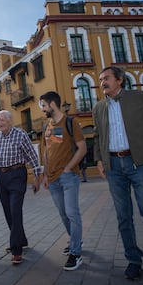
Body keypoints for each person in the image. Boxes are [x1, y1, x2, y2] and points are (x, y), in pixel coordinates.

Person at [92, 66, 143, 283]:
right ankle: (133, 260)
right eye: (100, 80)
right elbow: (98, 135)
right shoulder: (99, 107)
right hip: (113, 167)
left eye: (107, 79)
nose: (102, 83)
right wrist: (99, 159)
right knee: (123, 216)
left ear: (120, 80)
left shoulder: (138, 97)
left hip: (139, 162)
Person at [0, 110, 41, 265]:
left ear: (10, 121)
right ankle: (20, 240)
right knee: (8, 212)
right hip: (2, 176)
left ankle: (16, 250)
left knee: (15, 210)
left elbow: (32, 156)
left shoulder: (21, 135)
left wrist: (37, 177)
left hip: (17, 174)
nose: (0, 123)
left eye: (2, 120)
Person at [39, 91, 87, 271]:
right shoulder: (48, 126)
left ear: (52, 104)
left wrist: (68, 168)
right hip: (52, 179)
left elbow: (82, 149)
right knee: (64, 214)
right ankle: (76, 240)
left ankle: (76, 253)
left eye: (43, 105)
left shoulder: (70, 122)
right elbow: (47, 151)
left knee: (73, 213)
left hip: (68, 177)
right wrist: (45, 174)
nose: (43, 109)